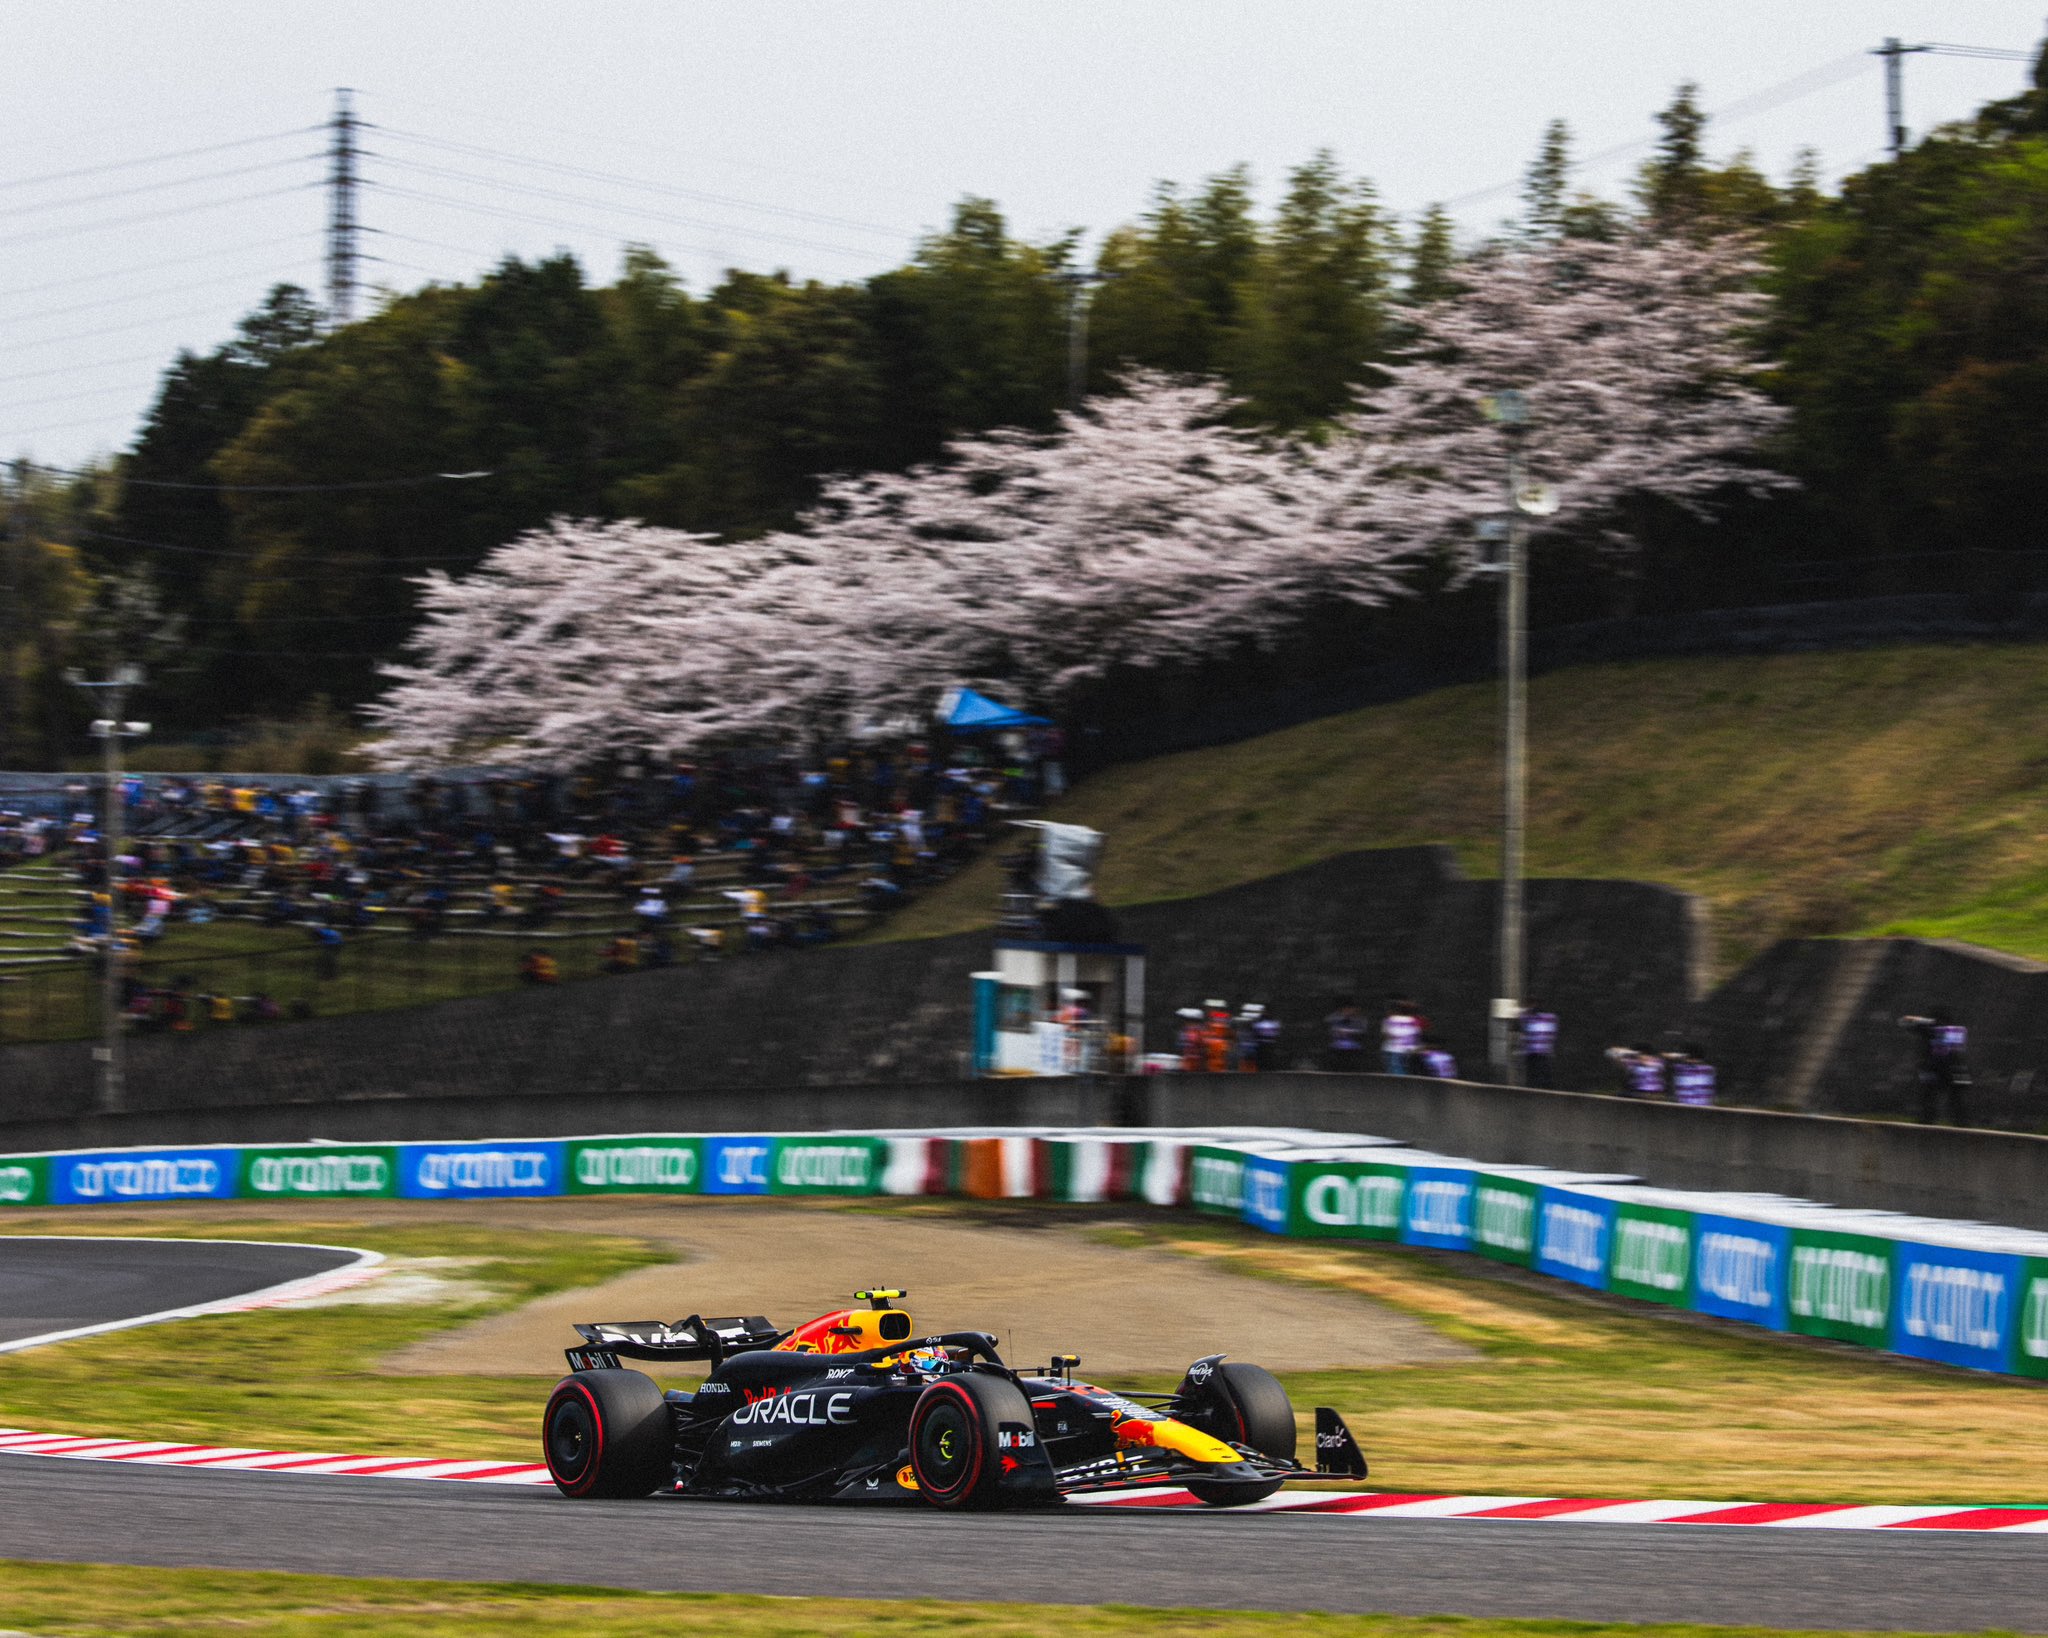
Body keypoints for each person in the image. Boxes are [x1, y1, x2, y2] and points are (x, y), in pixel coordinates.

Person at [1899, 1010, 1970, 1126]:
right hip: (1952, 1068)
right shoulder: (1953, 1030)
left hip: (1936, 1068)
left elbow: (1905, 1021)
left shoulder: (1931, 1028)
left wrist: (1925, 1021)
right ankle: (1959, 1122)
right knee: (1950, 1098)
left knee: (1932, 1096)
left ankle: (1930, 1120)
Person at [1380, 998, 1423, 1076]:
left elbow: (1386, 1035)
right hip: (1411, 1049)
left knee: (1395, 1072)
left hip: (1393, 1049)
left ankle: (1398, 1087)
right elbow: (1418, 1034)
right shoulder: (1414, 1020)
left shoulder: (1390, 1020)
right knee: (1408, 1071)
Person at [1519, 1005, 1559, 1088]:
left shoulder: (1530, 1018)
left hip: (1535, 1053)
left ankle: (1536, 1088)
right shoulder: (1551, 1018)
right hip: (1542, 1053)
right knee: (1542, 1074)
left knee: (1535, 1075)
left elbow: (1522, 1018)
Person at [1323, 1001, 1369, 1072]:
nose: (1348, 1011)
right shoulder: (1336, 1016)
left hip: (1354, 1047)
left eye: (1351, 1009)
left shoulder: (1360, 1018)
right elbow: (1327, 1021)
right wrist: (1343, 1017)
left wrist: (1350, 1032)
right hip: (1337, 1046)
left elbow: (1363, 1031)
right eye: (1346, 1009)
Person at [1176, 1007, 1206, 1072]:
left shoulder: (1196, 1032)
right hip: (1188, 1064)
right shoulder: (1184, 1031)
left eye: (1184, 1020)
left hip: (1195, 1066)